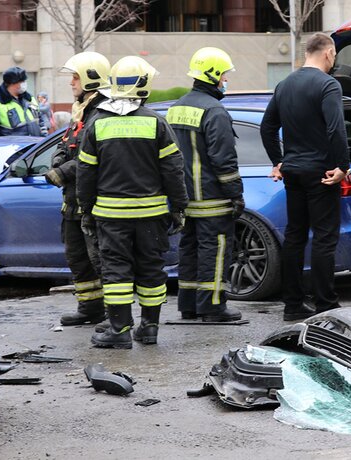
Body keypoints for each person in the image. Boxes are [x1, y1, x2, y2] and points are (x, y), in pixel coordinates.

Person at [76, 56, 188, 348]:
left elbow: (85, 173)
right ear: (144, 85)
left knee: (116, 272)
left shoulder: (97, 123)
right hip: (152, 215)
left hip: (111, 217)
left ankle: (120, 330)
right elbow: (174, 170)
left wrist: (85, 209)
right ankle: (149, 329)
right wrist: (179, 206)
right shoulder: (156, 122)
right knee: (151, 269)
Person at [259, 33, 349, 322]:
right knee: (324, 238)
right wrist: (343, 166)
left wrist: (278, 161)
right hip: (321, 173)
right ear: (328, 53)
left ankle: (293, 305)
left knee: (295, 237)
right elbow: (336, 128)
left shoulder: (284, 85)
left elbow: (267, 127)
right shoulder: (328, 84)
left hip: (294, 172)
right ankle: (325, 304)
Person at [167, 47, 244, 323]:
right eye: (223, 75)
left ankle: (189, 306)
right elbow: (224, 160)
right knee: (216, 250)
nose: (226, 80)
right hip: (212, 200)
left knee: (189, 250)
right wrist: (236, 195)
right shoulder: (215, 111)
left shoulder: (176, 108)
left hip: (184, 199)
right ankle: (213, 307)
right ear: (212, 76)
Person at [45, 52, 112, 327]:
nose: (71, 82)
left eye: (75, 77)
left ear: (90, 78)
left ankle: (115, 314)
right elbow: (66, 145)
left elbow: (91, 157)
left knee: (100, 260)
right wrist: (58, 161)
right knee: (78, 259)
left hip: (93, 203)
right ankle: (90, 308)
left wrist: (62, 172)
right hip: (72, 203)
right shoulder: (81, 111)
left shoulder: (103, 113)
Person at [0, 66, 41, 138]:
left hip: (35, 143)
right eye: (22, 81)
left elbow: (40, 119)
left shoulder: (29, 98)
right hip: (12, 144)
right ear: (12, 83)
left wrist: (44, 135)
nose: (24, 83)